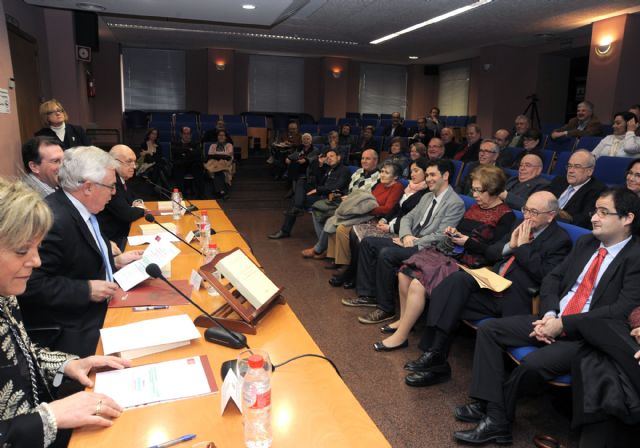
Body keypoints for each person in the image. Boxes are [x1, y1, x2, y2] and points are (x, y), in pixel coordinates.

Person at [453, 188, 640, 445]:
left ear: (627, 218)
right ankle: (495, 414)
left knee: (532, 365)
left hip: (585, 335)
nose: (594, 218)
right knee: (490, 330)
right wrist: (550, 314)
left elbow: (619, 310)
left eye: (603, 212)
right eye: (594, 211)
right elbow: (553, 278)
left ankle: (493, 414)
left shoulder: (635, 256)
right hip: (554, 316)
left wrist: (563, 324)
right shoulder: (586, 243)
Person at [0, 177, 130, 448]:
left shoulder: (6, 293)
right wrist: (50, 416)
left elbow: (21, 353)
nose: (36, 261)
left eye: (36, 248)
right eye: (23, 250)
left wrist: (67, 364)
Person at [404, 191, 571, 386]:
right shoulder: (520, 224)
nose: (527, 216)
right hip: (493, 285)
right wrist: (511, 245)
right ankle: (435, 355)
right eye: (526, 210)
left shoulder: (560, 240)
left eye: (534, 212)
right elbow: (492, 253)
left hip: (516, 298)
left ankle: (435, 359)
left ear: (551, 215)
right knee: (454, 283)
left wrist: (523, 247)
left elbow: (546, 276)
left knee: (451, 302)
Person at [18, 146, 143, 358]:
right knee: (141, 350)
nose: (114, 193)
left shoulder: (83, 209)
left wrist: (117, 262)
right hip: (73, 324)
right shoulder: (54, 220)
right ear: (88, 187)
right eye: (111, 186)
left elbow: (78, 262)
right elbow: (30, 286)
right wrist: (85, 289)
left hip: (100, 305)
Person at [376, 165, 515, 352]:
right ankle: (404, 321)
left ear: (493, 190)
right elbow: (463, 233)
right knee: (404, 274)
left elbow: (493, 252)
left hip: (472, 264)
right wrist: (454, 233)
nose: (474, 195)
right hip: (452, 252)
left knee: (418, 283)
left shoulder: (506, 216)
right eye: (473, 189)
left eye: (479, 190)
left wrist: (466, 242)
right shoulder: (475, 208)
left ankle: (401, 336)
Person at [343, 159, 465, 325]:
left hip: (428, 249)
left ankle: (386, 308)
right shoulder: (427, 196)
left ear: (445, 176)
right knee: (368, 242)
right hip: (409, 240)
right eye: (427, 175)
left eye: (432, 175)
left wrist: (415, 242)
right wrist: (406, 236)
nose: (428, 179)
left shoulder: (455, 203)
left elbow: (442, 235)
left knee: (386, 254)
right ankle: (367, 295)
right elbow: (408, 217)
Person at [329, 158, 429, 289]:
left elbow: (408, 217)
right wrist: (385, 219)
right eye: (411, 171)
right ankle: (353, 271)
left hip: (401, 231)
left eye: (416, 171)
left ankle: (352, 274)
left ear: (425, 173)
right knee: (354, 233)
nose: (412, 174)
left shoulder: (423, 194)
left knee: (361, 239)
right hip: (387, 222)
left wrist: (390, 225)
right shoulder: (410, 188)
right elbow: (396, 209)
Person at [317, 161, 404, 266]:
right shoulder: (380, 184)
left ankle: (343, 262)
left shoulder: (397, 187)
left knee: (342, 228)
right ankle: (334, 256)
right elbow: (368, 200)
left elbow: (388, 209)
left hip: (377, 218)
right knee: (334, 220)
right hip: (366, 213)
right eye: (382, 171)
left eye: (386, 173)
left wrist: (365, 209)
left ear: (395, 177)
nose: (382, 174)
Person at [267, 148, 351, 239]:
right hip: (321, 194)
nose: (329, 158)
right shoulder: (329, 169)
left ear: (338, 157)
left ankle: (286, 228)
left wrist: (318, 190)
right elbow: (319, 181)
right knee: (301, 180)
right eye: (327, 157)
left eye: (331, 156)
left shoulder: (344, 170)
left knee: (294, 200)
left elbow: (336, 187)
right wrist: (320, 164)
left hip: (330, 198)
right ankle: (297, 206)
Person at [97, 145, 145, 251]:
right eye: (129, 162)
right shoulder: (111, 182)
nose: (134, 166)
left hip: (123, 233)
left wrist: (136, 206)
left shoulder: (122, 180)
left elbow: (135, 199)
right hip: (114, 240)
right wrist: (142, 210)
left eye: (134, 162)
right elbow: (127, 214)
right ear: (114, 162)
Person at [545, 149, 606, 228]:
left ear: (589, 171)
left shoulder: (598, 191)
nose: (570, 170)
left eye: (577, 167)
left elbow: (583, 220)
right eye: (569, 166)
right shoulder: (559, 181)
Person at [203, 129, 234, 200]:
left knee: (217, 170)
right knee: (218, 171)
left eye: (223, 135)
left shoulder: (229, 145)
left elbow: (229, 156)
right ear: (217, 137)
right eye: (220, 135)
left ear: (226, 137)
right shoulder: (213, 145)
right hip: (214, 164)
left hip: (225, 164)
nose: (221, 137)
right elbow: (210, 156)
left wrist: (217, 156)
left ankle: (217, 192)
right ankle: (222, 192)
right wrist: (222, 156)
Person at [171, 126, 202, 196]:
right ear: (181, 134)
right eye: (184, 133)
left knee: (199, 168)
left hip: (192, 165)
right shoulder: (175, 143)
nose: (186, 135)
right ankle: (179, 194)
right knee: (178, 168)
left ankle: (200, 194)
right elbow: (175, 152)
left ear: (191, 135)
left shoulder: (196, 143)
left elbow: (197, 153)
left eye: (188, 134)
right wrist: (189, 150)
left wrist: (184, 153)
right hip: (181, 165)